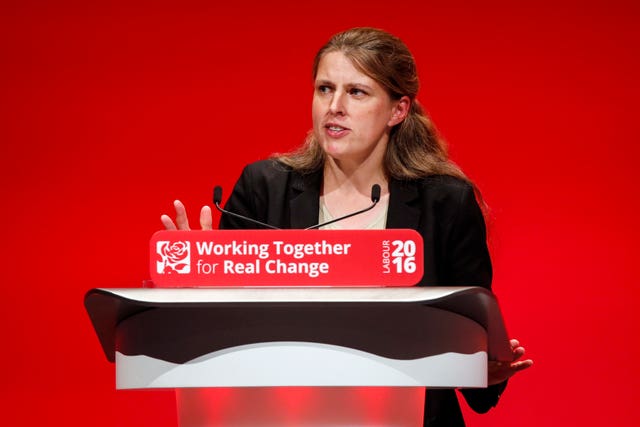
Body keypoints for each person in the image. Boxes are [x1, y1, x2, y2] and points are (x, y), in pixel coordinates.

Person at [161, 27, 533, 426]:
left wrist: (484, 370)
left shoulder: (445, 202)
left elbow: (475, 350)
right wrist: (197, 290)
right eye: (324, 89)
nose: (334, 106)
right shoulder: (263, 189)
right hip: (282, 415)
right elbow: (226, 339)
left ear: (398, 110)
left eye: (356, 92)